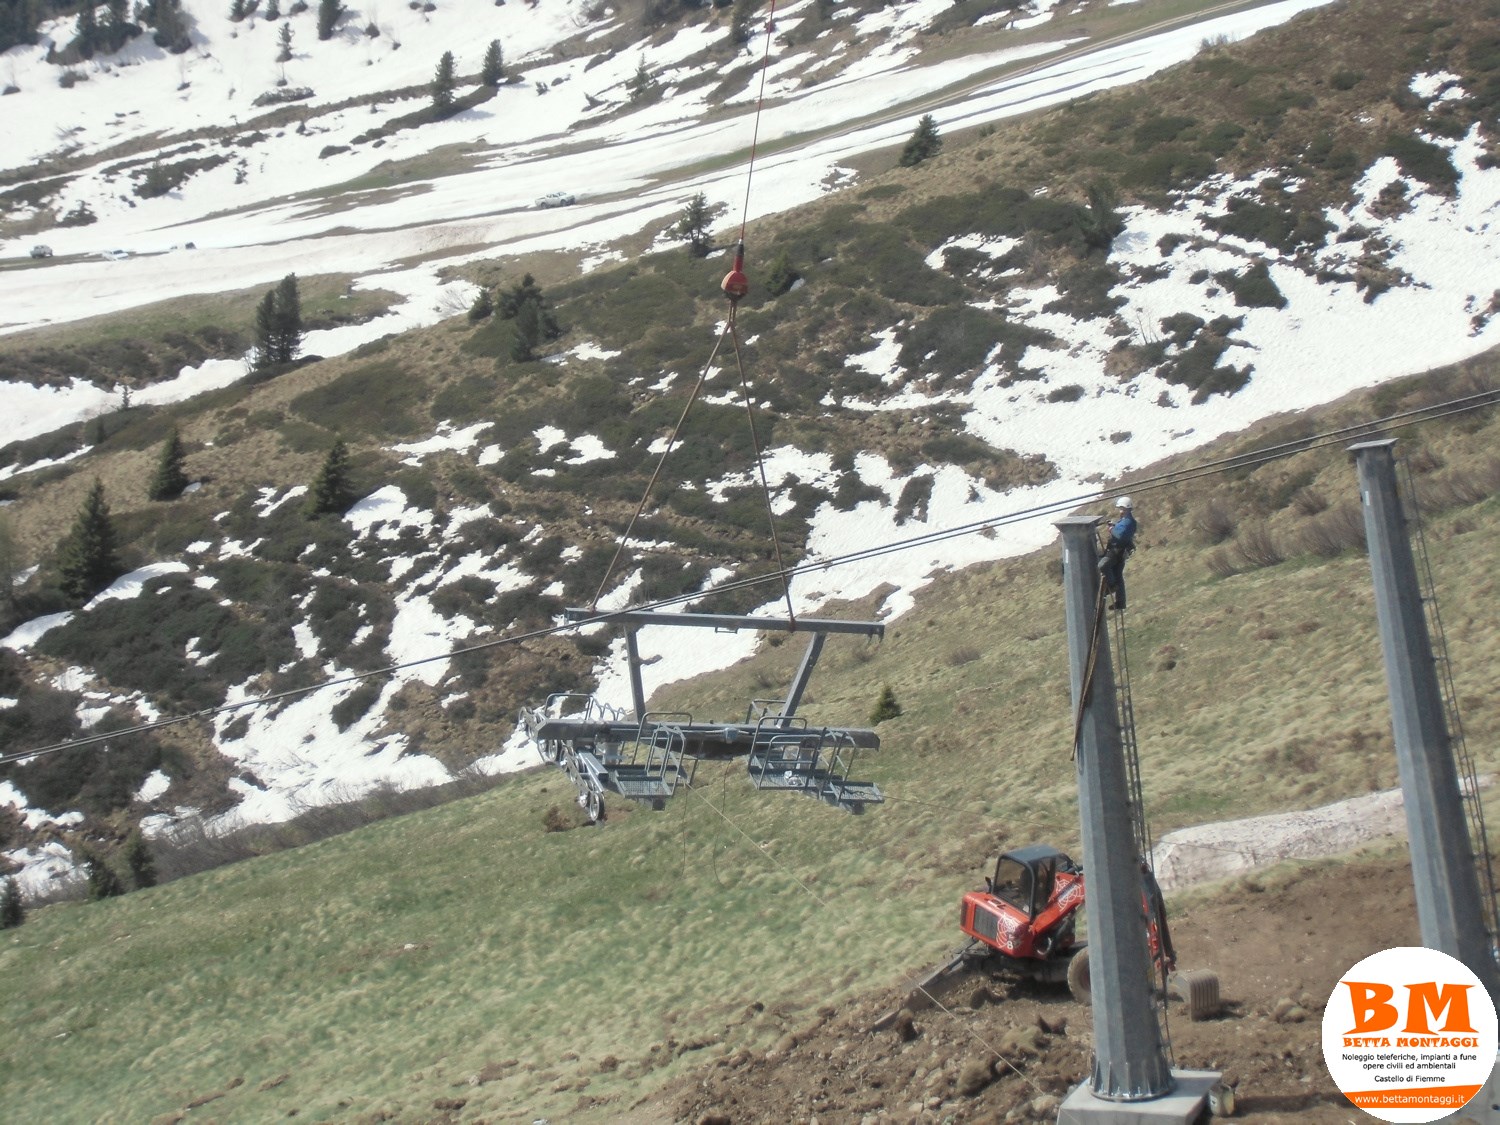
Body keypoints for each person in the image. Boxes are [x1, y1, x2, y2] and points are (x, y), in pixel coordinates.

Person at [1098, 496, 1137, 611]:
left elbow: (1120, 536)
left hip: (1117, 551)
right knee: (1118, 575)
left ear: (1126, 509)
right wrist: (1114, 526)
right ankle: (1120, 602)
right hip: (1119, 551)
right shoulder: (1125, 520)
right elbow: (1121, 531)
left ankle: (1111, 585)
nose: (1120, 511)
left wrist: (1111, 530)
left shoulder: (1129, 522)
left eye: (1122, 509)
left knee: (1102, 565)